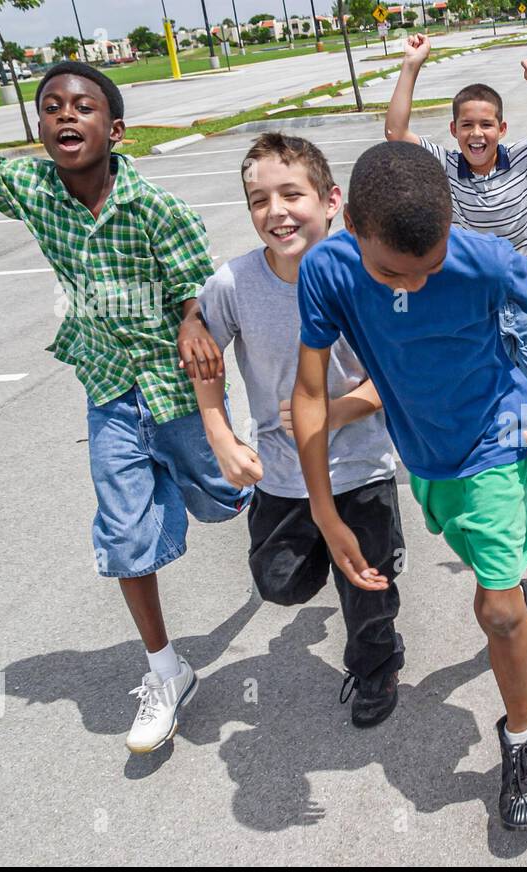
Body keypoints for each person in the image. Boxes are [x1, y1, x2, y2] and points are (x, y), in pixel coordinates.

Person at [0, 62, 250, 753]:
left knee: (228, 500)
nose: (66, 116)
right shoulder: (29, 186)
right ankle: (166, 671)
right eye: (52, 106)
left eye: (83, 107)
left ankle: (295, 519)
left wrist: (191, 321)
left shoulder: (157, 207)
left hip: (176, 391)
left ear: (114, 129)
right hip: (110, 390)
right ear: (40, 129)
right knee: (123, 537)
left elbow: (195, 289)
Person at [292, 142, 527, 831]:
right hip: (425, 453)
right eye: (394, 271)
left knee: (497, 612)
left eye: (431, 266)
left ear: (452, 223)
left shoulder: (478, 257)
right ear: (350, 223)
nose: (414, 284)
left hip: (496, 437)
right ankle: (518, 604)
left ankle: (520, 739)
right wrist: (326, 517)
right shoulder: (327, 271)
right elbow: (307, 393)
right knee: (499, 588)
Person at [195, 133, 405, 728]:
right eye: (259, 200)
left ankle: (376, 666)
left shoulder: (373, 278)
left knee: (367, 589)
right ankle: (330, 568)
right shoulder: (233, 284)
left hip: (361, 467)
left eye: (292, 194)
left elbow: (399, 375)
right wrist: (220, 434)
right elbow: (201, 353)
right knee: (280, 583)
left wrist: (339, 409)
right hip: (282, 476)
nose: (276, 211)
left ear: (333, 200)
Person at [384, 33, 527, 392]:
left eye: (486, 125)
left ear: (502, 129)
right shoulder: (445, 166)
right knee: (488, 392)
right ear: (453, 130)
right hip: (476, 302)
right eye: (466, 125)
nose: (476, 134)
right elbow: (395, 132)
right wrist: (410, 65)